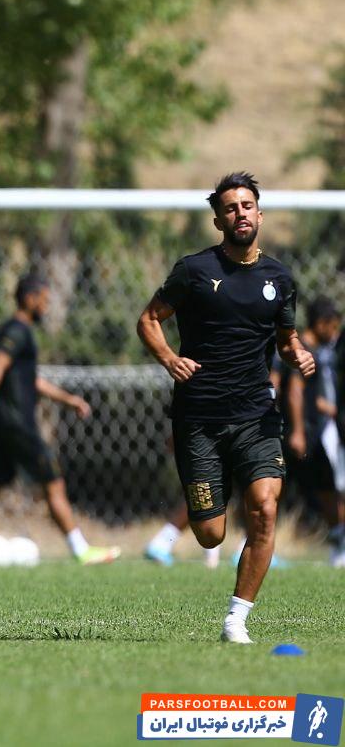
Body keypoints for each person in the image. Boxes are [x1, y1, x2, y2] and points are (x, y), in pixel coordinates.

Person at [136, 172, 315, 643]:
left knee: (265, 510)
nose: (240, 214)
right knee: (210, 534)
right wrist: (169, 358)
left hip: (257, 417)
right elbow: (149, 319)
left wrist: (298, 352)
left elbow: (285, 338)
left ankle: (236, 619)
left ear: (260, 214)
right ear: (218, 220)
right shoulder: (194, 271)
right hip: (199, 419)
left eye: (247, 205)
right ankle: (216, 501)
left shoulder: (279, 278)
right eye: (231, 208)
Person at [0, 272, 120, 566]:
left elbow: (30, 380)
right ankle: (80, 549)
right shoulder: (16, 331)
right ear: (29, 298)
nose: (46, 306)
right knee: (53, 482)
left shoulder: (18, 331)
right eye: (44, 300)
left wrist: (68, 399)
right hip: (18, 424)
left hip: (6, 424)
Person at [280, 297, 345, 565]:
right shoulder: (303, 350)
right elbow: (295, 391)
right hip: (302, 434)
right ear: (321, 324)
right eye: (333, 326)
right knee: (279, 489)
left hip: (312, 433)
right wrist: (297, 431)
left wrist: (329, 407)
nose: (335, 333)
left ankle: (338, 545)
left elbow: (309, 394)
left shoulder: (316, 351)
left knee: (326, 488)